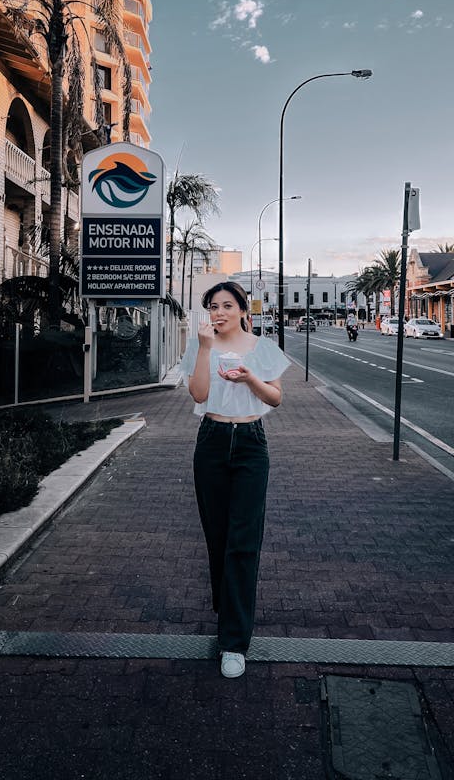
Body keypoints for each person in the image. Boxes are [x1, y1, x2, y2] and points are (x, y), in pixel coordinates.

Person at [179, 281, 289, 679]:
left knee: (243, 541)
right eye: (213, 306)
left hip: (249, 444)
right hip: (210, 441)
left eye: (227, 305)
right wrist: (206, 349)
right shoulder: (200, 345)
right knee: (218, 536)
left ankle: (234, 641)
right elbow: (198, 394)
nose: (219, 312)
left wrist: (249, 380)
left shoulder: (263, 349)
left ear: (244, 310)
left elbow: (275, 397)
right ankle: (228, 607)